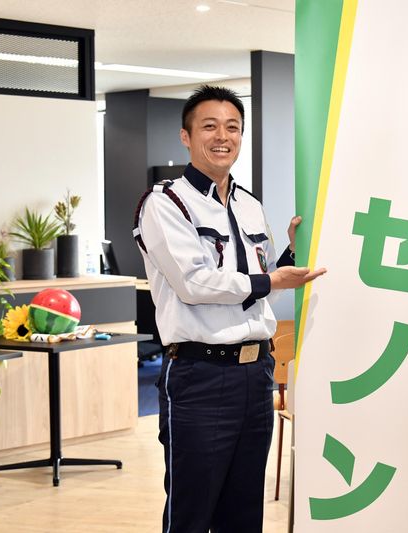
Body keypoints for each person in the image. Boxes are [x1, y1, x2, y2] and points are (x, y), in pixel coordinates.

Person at [134, 85, 326, 533]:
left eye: (233, 127)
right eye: (210, 126)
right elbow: (194, 283)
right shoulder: (165, 203)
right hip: (199, 376)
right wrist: (270, 280)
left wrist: (289, 259)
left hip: (255, 375)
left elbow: (256, 290)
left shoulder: (250, 205)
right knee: (191, 512)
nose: (223, 136)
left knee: (243, 513)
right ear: (186, 136)